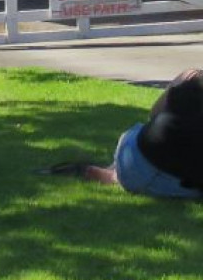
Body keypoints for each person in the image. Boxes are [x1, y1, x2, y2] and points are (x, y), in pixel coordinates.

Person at [49, 69, 203, 199]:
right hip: (166, 183)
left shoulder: (190, 85)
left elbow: (154, 113)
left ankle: (115, 171)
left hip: (131, 153)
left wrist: (185, 80)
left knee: (150, 132)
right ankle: (115, 176)